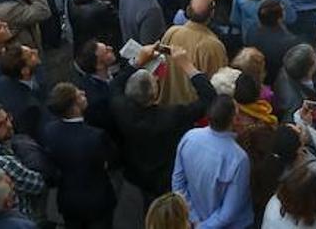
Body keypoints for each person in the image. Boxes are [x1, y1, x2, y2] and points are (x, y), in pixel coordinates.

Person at [111, 46, 219, 203]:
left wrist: (137, 61)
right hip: (165, 179)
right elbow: (209, 98)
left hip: (137, 174)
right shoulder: (173, 115)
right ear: (155, 93)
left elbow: (115, 85)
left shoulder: (121, 109)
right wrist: (187, 65)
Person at [40, 82, 117, 229]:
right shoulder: (96, 136)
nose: (83, 93)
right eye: (79, 94)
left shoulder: (49, 131)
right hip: (98, 202)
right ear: (74, 106)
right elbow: (110, 161)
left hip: (69, 202)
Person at [172, 95, 251, 229]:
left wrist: (193, 218)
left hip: (194, 220)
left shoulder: (189, 137)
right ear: (233, 120)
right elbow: (229, 212)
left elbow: (178, 184)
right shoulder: (239, 158)